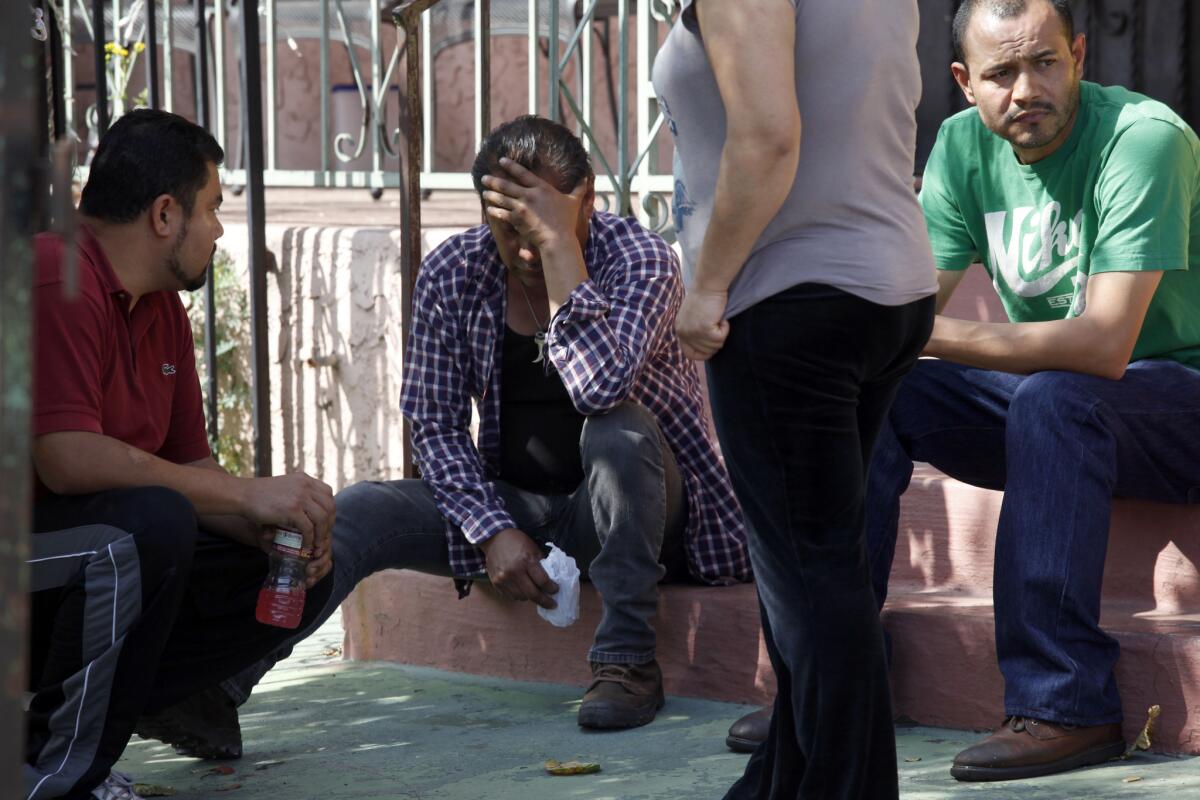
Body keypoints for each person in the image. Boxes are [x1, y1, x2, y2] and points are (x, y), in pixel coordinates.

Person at [193, 115, 752, 739]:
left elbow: (601, 388)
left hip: (636, 514)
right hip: (514, 508)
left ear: (587, 199)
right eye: (505, 226)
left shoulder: (642, 261)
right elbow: (433, 426)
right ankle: (221, 681)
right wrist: (491, 531)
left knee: (617, 430)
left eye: (536, 225)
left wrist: (563, 249)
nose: (520, 250)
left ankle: (627, 666)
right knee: (361, 510)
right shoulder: (455, 271)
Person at [865, 0, 1200, 783]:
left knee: (1054, 394)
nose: (1026, 89)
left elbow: (1105, 343)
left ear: (1079, 55)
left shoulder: (1142, 140)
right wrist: (888, 342)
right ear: (964, 81)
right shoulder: (960, 146)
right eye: (1002, 73)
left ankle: (1064, 705)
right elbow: (923, 300)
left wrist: (911, 333)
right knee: (878, 391)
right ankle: (837, 671)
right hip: (1070, 406)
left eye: (1045, 62)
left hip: (1179, 394)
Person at [653, 1, 938, 797]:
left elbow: (770, 136)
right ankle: (787, 775)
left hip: (792, 297)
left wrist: (707, 287)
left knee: (811, 575)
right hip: (886, 287)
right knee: (817, 569)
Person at [26, 109, 335, 800]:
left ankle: (84, 727)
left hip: (78, 563)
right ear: (166, 214)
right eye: (213, 207)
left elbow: (193, 470)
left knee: (282, 562)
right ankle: (55, 775)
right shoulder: (58, 274)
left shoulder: (161, 306)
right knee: (147, 528)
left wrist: (274, 522)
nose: (220, 229)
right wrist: (249, 495)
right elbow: (67, 460)